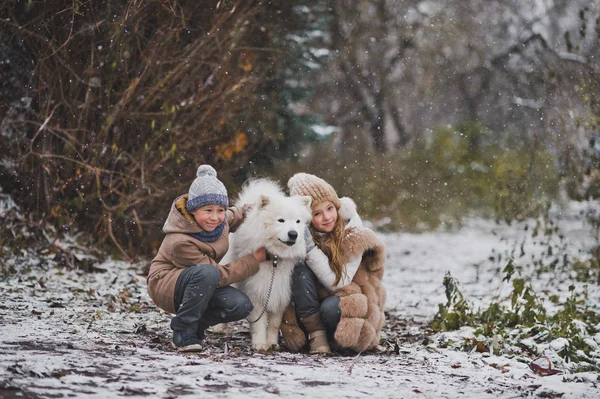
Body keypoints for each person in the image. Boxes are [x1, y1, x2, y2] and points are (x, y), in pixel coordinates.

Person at [147, 165, 266, 352]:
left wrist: (254, 209)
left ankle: (197, 327)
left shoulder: (219, 220)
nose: (215, 217)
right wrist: (254, 260)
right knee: (208, 273)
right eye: (208, 210)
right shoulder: (180, 241)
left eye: (220, 210)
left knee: (240, 305)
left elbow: (234, 215)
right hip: (167, 285)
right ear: (193, 210)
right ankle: (182, 331)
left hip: (200, 281)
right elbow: (217, 275)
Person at [281, 173, 386, 354]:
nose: (327, 217)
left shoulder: (354, 234)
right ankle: (317, 335)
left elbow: (338, 283)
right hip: (312, 307)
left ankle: (338, 340)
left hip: (349, 304)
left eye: (330, 208)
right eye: (317, 213)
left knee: (331, 308)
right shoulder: (300, 233)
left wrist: (311, 250)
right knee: (297, 268)